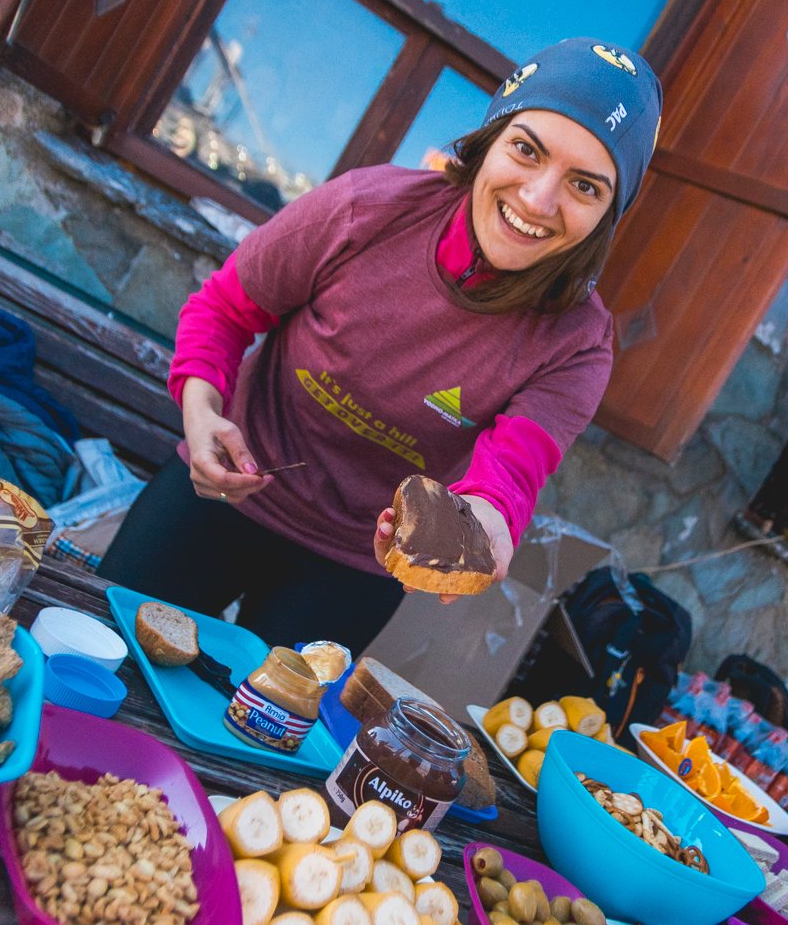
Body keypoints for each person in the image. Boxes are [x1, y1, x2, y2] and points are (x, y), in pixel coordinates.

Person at [99, 38, 662, 655]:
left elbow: (509, 474)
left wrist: (484, 532)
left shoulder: (577, 343)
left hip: (353, 566)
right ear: (490, 141)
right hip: (223, 493)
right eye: (526, 150)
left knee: (256, 742)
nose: (538, 199)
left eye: (586, 186)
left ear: (610, 214)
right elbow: (226, 308)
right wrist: (202, 413)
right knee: (99, 651)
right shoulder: (366, 209)